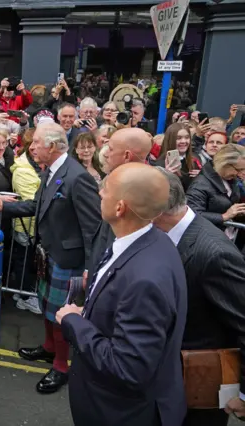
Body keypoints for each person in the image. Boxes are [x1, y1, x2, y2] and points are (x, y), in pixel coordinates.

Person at [58, 163, 187, 426]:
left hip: (121, 414)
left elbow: (127, 368)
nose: (100, 192)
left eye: (105, 188)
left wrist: (74, 321)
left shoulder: (145, 280)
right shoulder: (153, 240)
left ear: (120, 208)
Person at [0, 122, 101, 393]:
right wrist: (4, 205)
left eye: (36, 142)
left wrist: (90, 268)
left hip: (69, 259)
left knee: (61, 313)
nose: (31, 147)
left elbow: (92, 227)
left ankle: (62, 366)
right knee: (47, 306)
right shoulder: (51, 170)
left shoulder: (77, 176)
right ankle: (50, 349)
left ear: (51, 146)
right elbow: (37, 206)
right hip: (49, 253)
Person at [153, 168, 245, 426]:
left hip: (200, 387)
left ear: (154, 209)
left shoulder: (215, 254)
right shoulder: (166, 236)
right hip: (169, 381)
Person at [91, 128, 153, 274]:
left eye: (111, 149)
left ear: (126, 155)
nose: (106, 153)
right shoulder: (116, 180)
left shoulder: (142, 189)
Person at [10, 130, 42, 313]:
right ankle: (24, 296)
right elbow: (32, 202)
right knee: (25, 260)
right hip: (26, 225)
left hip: (33, 226)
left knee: (28, 260)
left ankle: (22, 292)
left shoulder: (37, 166)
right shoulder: (23, 170)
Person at [186, 143, 245, 237]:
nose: (241, 173)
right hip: (207, 240)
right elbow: (191, 215)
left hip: (226, 236)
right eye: (239, 169)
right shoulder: (200, 184)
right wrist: (224, 216)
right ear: (224, 164)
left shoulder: (231, 180)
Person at [156, 123, 201, 191]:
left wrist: (201, 176)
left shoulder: (195, 159)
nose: (183, 141)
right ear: (170, 140)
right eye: (178, 138)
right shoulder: (160, 164)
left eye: (187, 137)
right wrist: (167, 176)